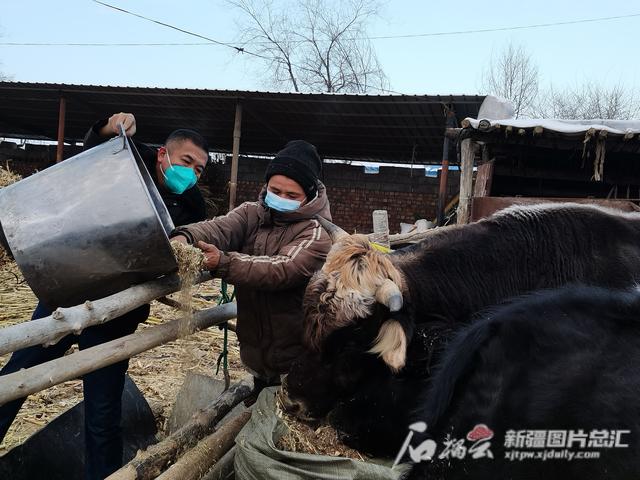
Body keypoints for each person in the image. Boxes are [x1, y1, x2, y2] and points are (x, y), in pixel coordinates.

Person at [0, 112, 209, 479]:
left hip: (117, 313)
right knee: (17, 378)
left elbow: (190, 244)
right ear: (163, 155)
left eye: (199, 169)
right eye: (186, 162)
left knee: (103, 410)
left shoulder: (193, 206)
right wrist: (106, 125)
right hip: (67, 293)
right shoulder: (130, 159)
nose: (191, 173)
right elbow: (92, 152)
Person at [171, 140, 332, 399]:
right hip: (256, 354)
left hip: (298, 359)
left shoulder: (316, 232)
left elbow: (283, 268)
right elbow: (218, 228)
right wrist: (184, 238)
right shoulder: (251, 213)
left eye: (292, 196)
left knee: (288, 423)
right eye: (275, 190)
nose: (281, 199)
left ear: (310, 196)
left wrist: (223, 263)